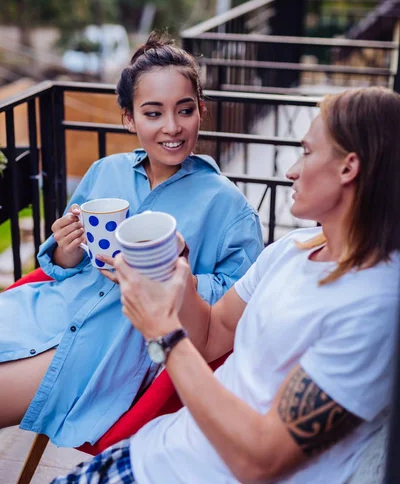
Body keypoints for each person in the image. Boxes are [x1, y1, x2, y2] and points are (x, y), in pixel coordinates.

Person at [54, 86, 400, 484]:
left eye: (306, 152)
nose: (291, 170)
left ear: (348, 168)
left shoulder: (374, 305)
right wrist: (173, 271)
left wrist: (163, 334)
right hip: (159, 451)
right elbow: (212, 333)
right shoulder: (293, 249)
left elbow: (260, 461)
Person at [0, 33, 263, 448]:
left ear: (201, 111)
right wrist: (67, 251)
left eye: (185, 110)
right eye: (153, 113)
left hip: (115, 345)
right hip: (57, 306)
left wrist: (177, 276)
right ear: (129, 118)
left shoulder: (228, 207)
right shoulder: (106, 172)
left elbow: (239, 304)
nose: (172, 127)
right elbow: (68, 265)